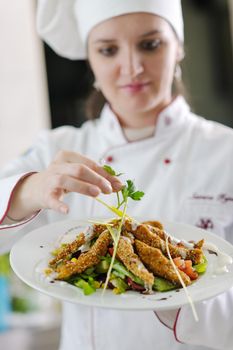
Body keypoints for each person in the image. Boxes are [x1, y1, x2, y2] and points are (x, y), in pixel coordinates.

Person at [1, 0, 233, 349]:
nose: (132, 67)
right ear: (90, 59)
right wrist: (30, 190)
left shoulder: (225, 152)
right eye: (108, 50)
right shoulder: (57, 148)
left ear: (178, 47)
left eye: (150, 44)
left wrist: (177, 289)